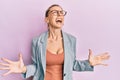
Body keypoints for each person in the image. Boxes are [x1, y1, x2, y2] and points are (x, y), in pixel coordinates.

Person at [0, 4, 110, 80]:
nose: (59, 14)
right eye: (55, 12)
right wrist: (24, 69)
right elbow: (37, 67)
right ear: (46, 19)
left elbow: (72, 64)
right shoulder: (37, 41)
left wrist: (88, 63)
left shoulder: (71, 40)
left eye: (61, 12)